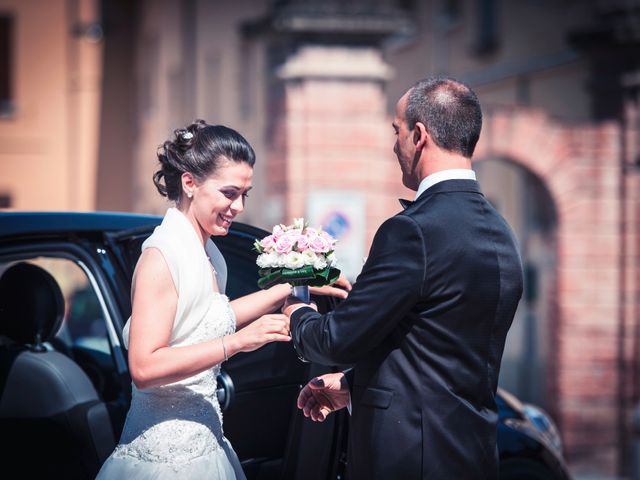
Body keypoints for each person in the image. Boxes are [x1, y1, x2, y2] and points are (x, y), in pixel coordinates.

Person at [284, 77, 524, 480]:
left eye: (395, 132)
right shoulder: (502, 232)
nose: (393, 145)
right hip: (473, 456)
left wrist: (297, 310)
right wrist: (353, 385)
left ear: (418, 135)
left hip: (407, 458)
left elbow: (337, 339)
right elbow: (441, 348)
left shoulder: (412, 230)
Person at [97, 121, 349, 479]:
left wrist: (293, 284)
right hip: (163, 458)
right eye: (230, 193)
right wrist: (238, 343)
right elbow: (144, 367)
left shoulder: (209, 251)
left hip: (207, 444)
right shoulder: (161, 254)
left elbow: (205, 319)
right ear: (190, 183)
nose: (239, 206)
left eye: (245, 194)